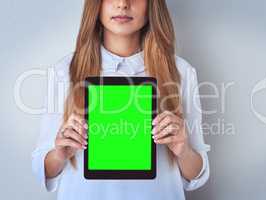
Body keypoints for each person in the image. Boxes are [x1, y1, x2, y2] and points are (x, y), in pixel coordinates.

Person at [32, 0, 210, 199]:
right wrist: (59, 154)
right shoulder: (64, 71)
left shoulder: (180, 72)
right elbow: (43, 167)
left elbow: (197, 175)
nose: (122, 4)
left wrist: (184, 150)